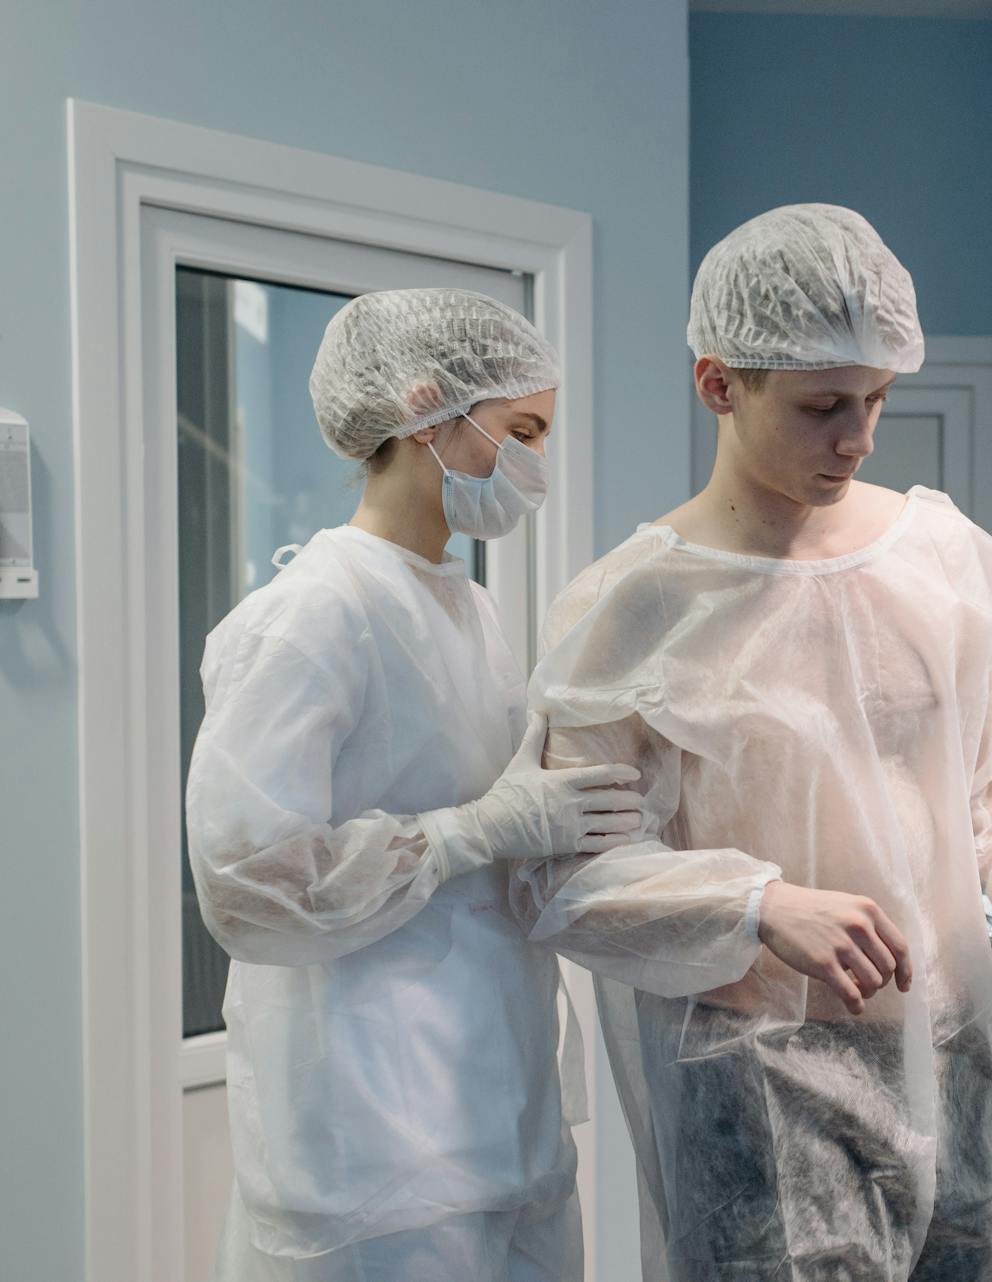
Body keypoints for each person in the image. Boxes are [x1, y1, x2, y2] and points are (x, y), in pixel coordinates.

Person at [509, 204, 992, 1280]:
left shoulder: (940, 557)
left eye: (878, 399)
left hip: (948, 1050)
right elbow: (569, 869)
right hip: (759, 1083)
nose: (860, 437)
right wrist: (757, 903)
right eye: (824, 405)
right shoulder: (634, 607)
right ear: (718, 385)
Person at [185, 288, 645, 1281]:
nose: (535, 464)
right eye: (521, 429)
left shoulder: (469, 606)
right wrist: (471, 832)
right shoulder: (312, 613)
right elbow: (247, 883)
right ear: (429, 409)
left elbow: (497, 815)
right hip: (369, 1145)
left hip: (497, 1113)